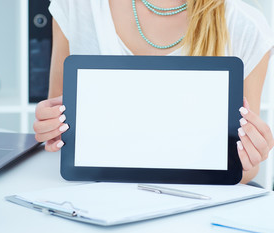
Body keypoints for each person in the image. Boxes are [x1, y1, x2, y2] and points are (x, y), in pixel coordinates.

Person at [33, 0, 274, 184]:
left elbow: (246, 165)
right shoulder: (76, 6)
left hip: (196, 206)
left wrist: (250, 155)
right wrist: (51, 128)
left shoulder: (246, 26)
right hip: (96, 195)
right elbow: (60, 131)